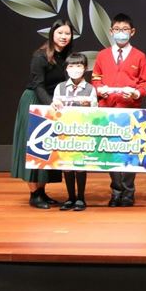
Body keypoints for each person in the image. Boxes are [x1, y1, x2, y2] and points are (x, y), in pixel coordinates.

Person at [10, 19, 73, 209]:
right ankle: (34, 194)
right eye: (60, 33)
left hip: (52, 103)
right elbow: (38, 84)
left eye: (67, 33)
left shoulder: (66, 57)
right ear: (52, 34)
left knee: (47, 148)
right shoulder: (40, 56)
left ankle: (42, 191)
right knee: (33, 147)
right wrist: (49, 103)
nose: (63, 37)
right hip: (35, 101)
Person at [90, 13, 146, 207]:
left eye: (125, 30)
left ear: (132, 32)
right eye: (117, 29)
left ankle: (128, 193)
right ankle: (116, 192)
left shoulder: (139, 56)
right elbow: (95, 79)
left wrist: (135, 93)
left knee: (129, 153)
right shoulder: (102, 55)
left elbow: (145, 84)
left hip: (130, 112)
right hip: (108, 110)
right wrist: (100, 89)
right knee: (112, 152)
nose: (121, 33)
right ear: (111, 31)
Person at [50, 52, 98, 211]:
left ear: (85, 68)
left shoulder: (90, 89)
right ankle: (70, 197)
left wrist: (88, 106)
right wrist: (55, 105)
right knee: (67, 165)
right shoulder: (60, 87)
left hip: (82, 132)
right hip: (65, 132)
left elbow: (96, 112)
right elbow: (54, 108)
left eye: (79, 66)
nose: (75, 69)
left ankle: (81, 198)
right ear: (66, 68)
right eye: (71, 66)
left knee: (80, 164)